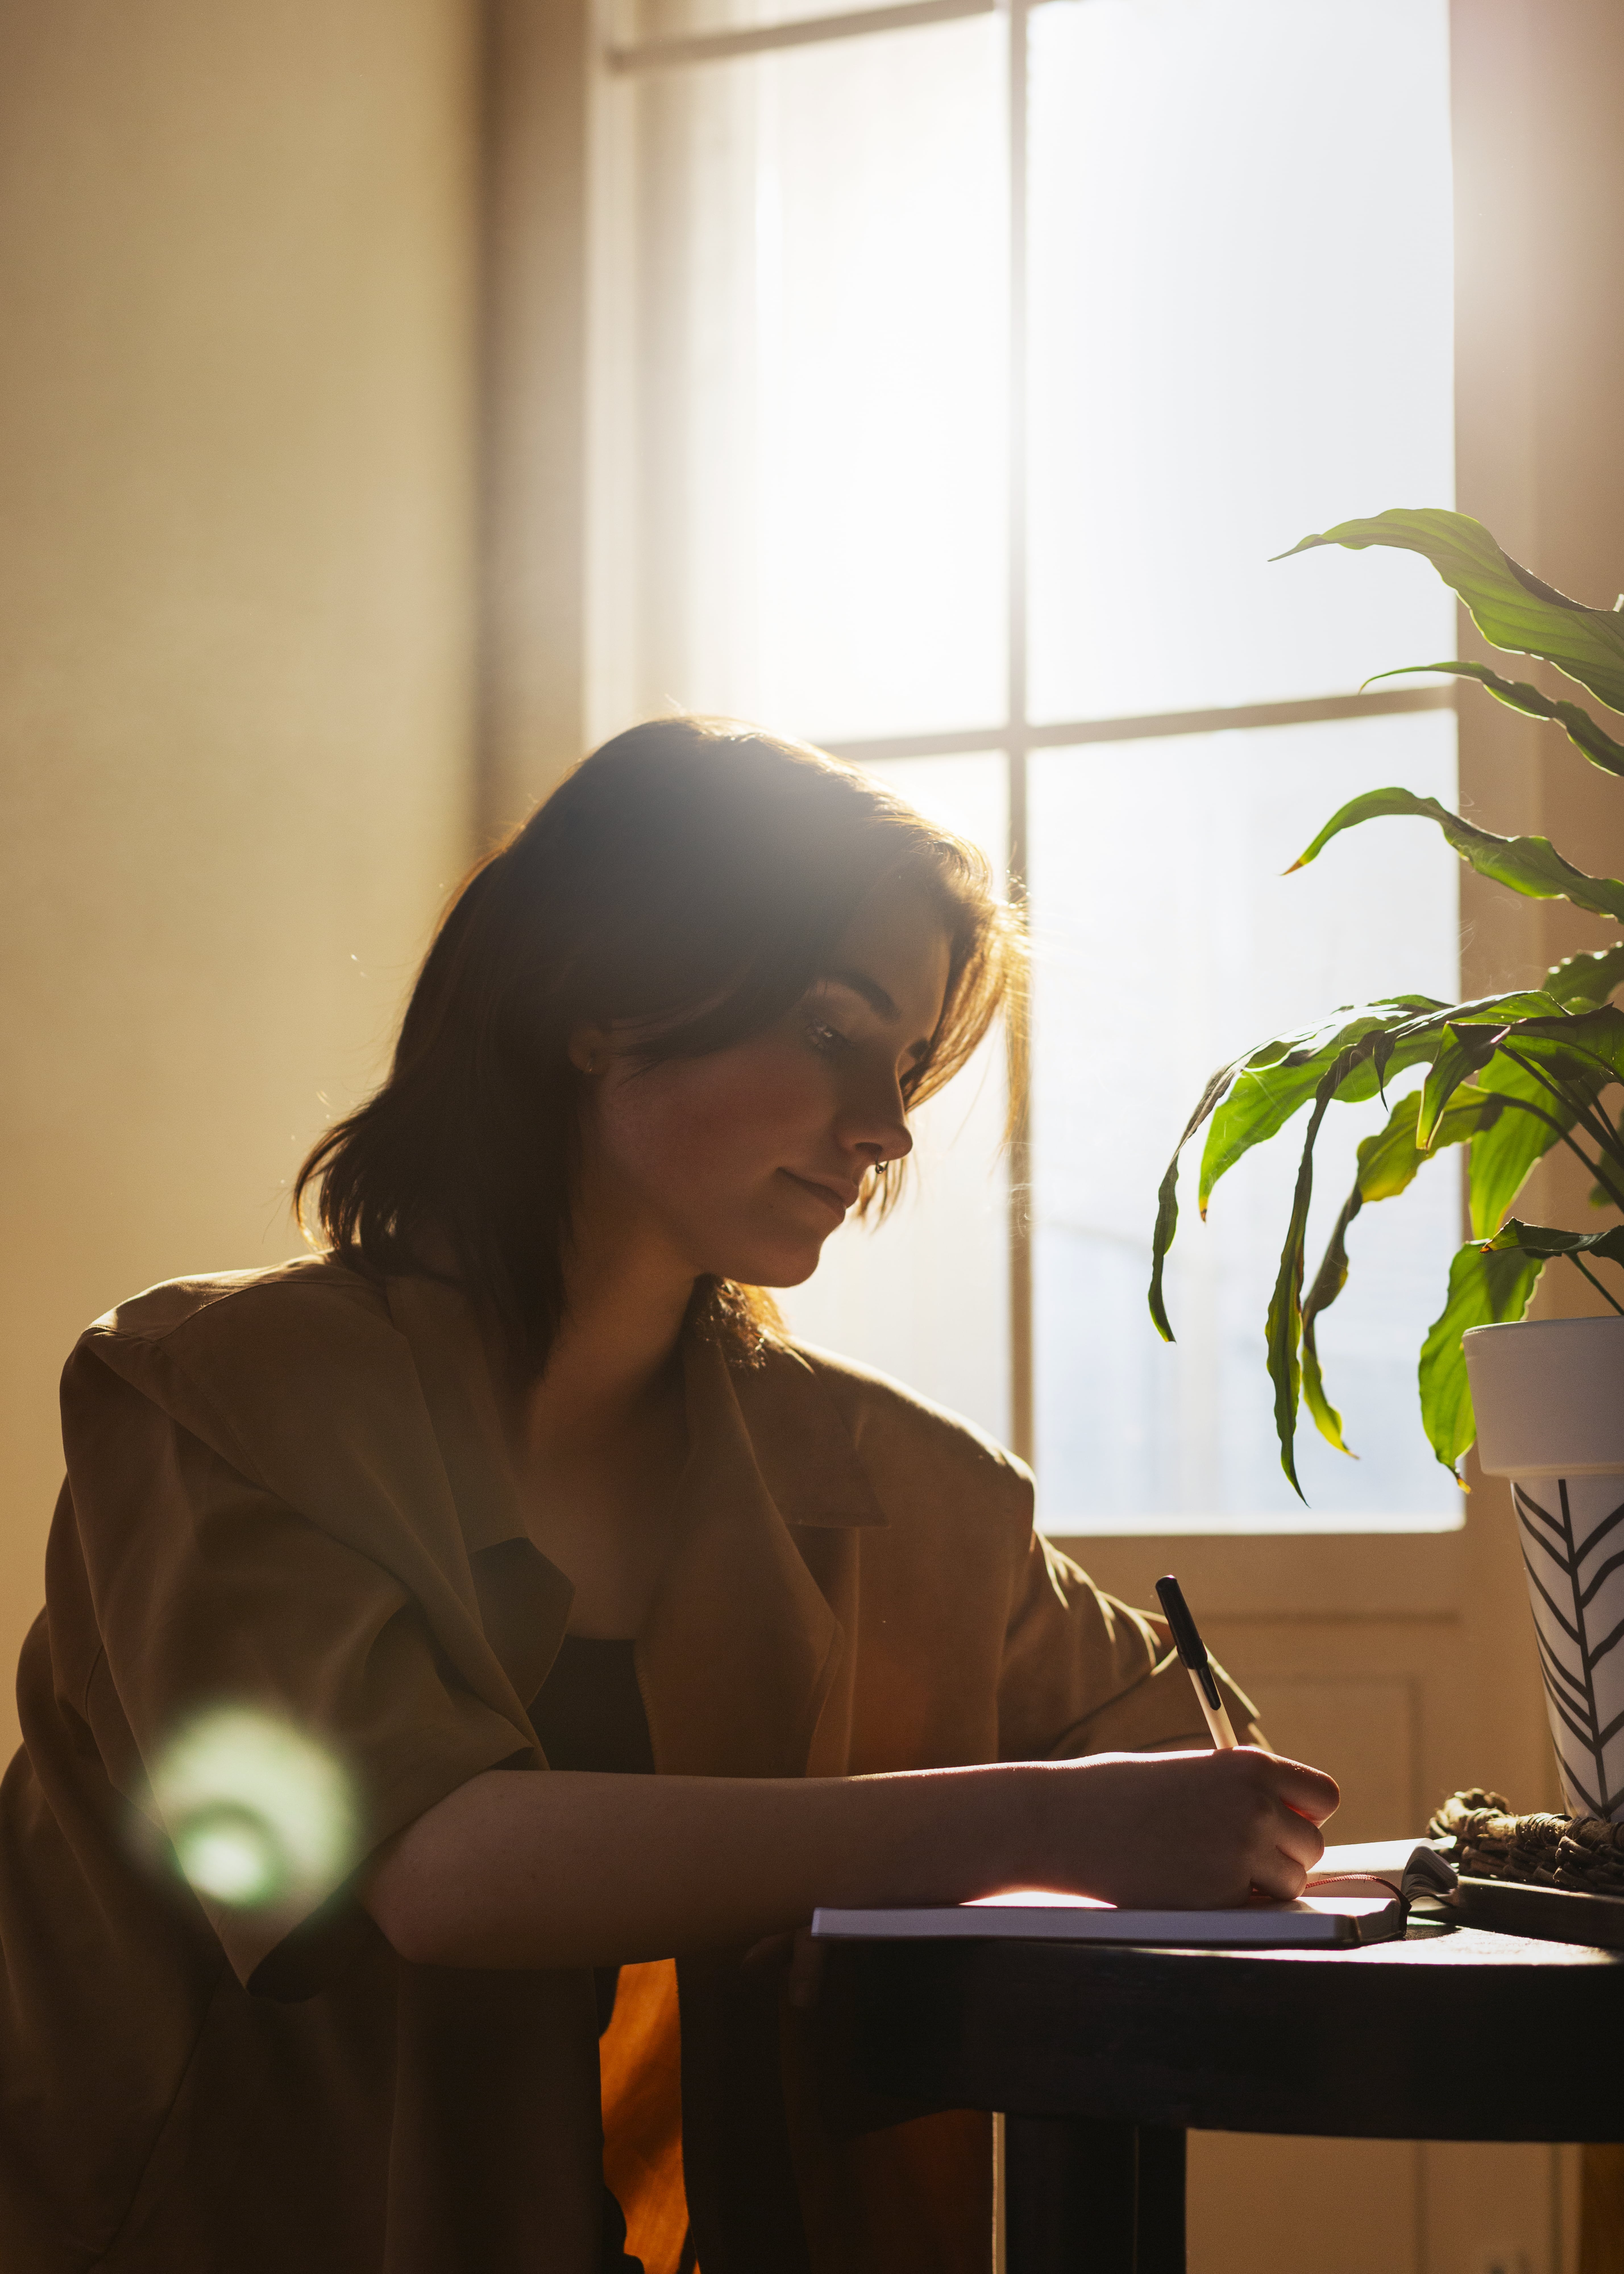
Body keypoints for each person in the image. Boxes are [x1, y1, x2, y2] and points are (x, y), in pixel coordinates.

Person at [0, 718, 1337, 2274]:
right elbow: (426, 1871)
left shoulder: (902, 1485)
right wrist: (1040, 1821)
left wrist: (1209, 1813)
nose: (885, 1129)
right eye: (835, 1036)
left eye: (905, 1065)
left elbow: (1185, 1768)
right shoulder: (209, 1396)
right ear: (604, 999)